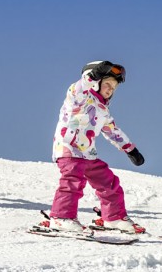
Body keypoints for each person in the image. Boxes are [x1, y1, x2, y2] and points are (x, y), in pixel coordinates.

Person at [46, 60, 146, 234]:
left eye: (114, 87)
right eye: (107, 84)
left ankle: (113, 218)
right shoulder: (78, 98)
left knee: (109, 182)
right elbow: (80, 87)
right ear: (96, 80)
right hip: (69, 149)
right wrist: (93, 75)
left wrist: (130, 149)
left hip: (88, 155)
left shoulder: (102, 110)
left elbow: (114, 132)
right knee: (72, 182)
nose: (110, 89)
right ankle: (61, 218)